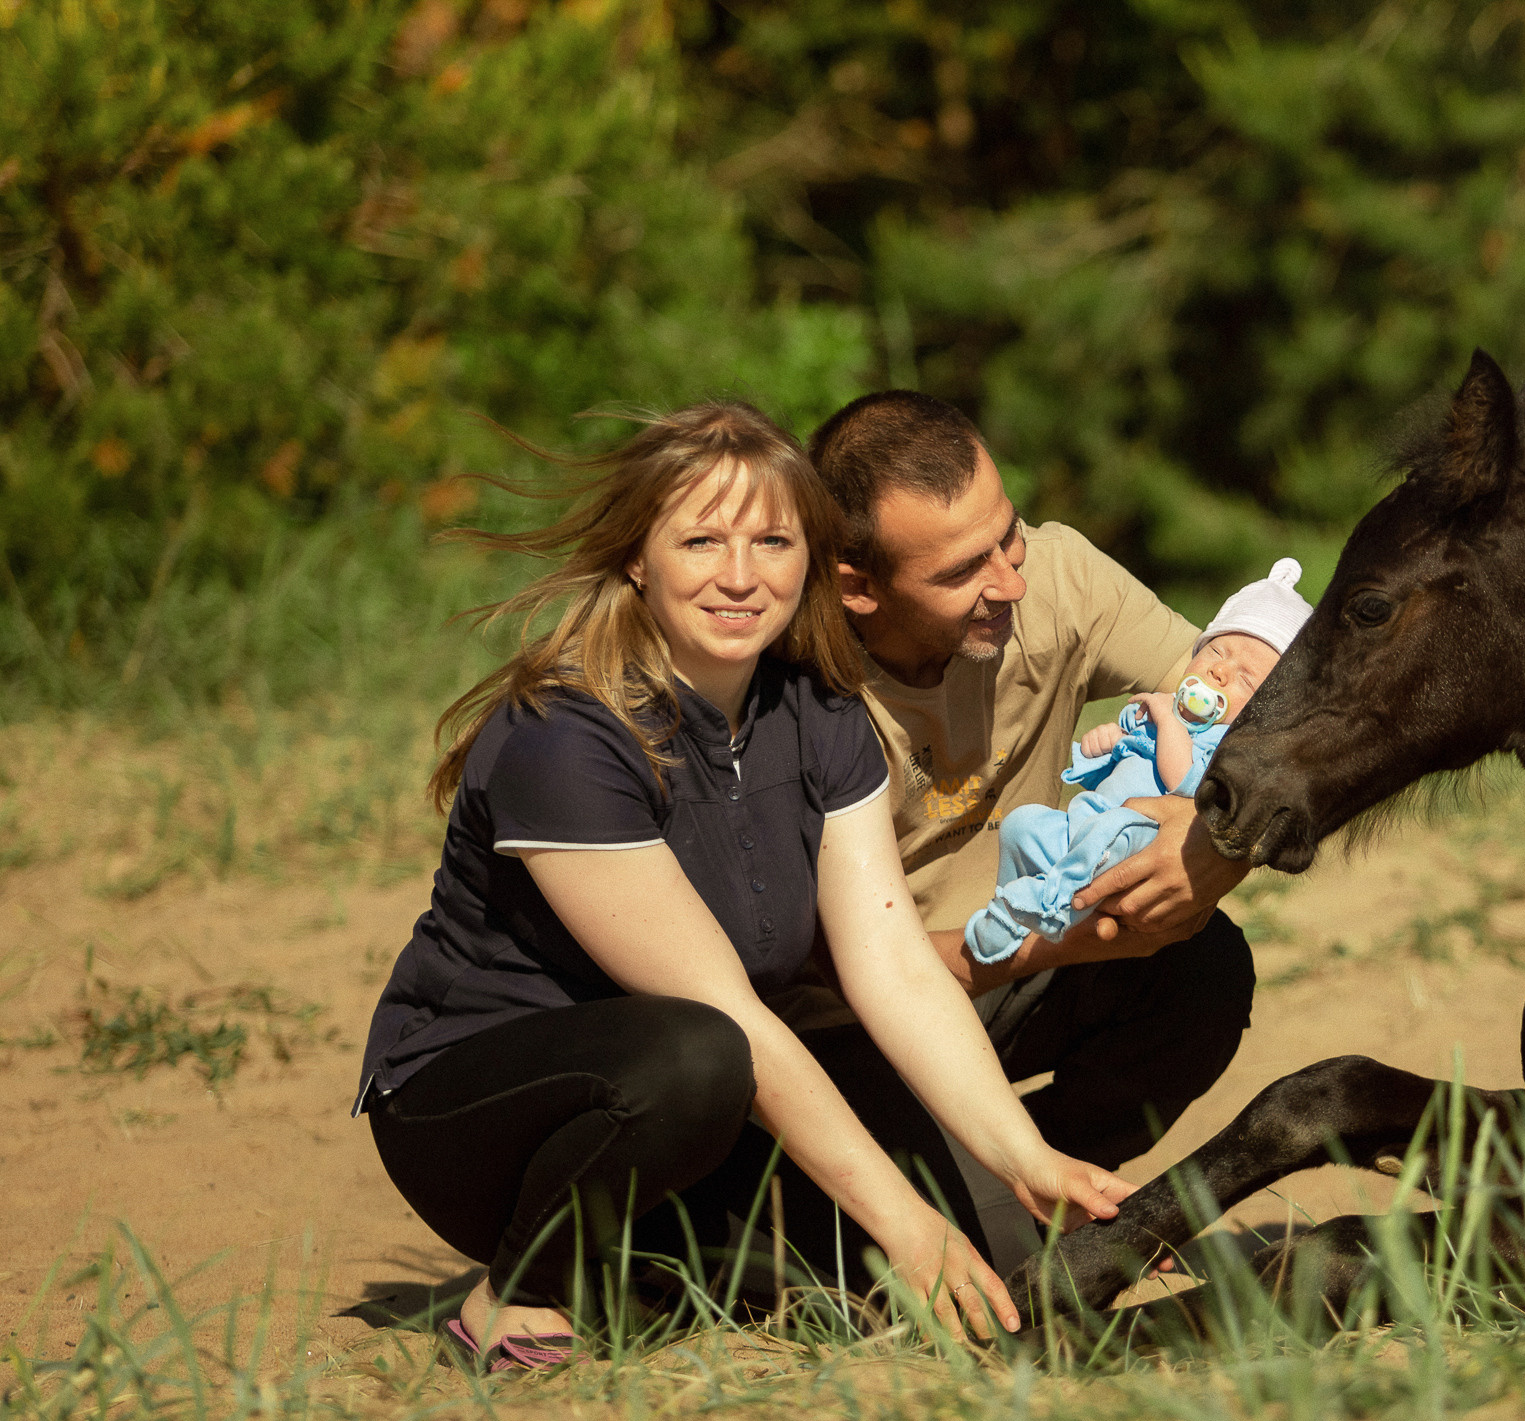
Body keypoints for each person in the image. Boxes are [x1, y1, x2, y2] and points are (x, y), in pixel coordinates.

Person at [354, 401, 1132, 1369]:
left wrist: (1023, 1157)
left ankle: (655, 1270)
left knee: (999, 1266)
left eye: (773, 540)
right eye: (702, 539)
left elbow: (887, 960)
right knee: (700, 1054)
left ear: (813, 559)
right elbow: (723, 1014)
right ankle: (522, 1289)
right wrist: (907, 1226)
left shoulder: (818, 703)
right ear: (639, 555)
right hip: (488, 1113)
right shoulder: (563, 736)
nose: (740, 575)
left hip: (708, 1096)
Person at [796, 391, 1261, 1266]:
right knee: (994, 1275)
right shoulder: (801, 692)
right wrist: (1058, 945)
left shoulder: (1058, 577)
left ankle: (1040, 1172)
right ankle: (928, 1199)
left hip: (1013, 974)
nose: (1010, 581)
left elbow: (1253, 720)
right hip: (854, 1025)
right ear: (857, 586)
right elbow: (831, 968)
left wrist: (1210, 844)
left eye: (1006, 535)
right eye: (962, 571)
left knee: (1204, 972)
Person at [966, 561, 1310, 964]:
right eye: (1216, 651)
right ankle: (1008, 915)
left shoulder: (1228, 745)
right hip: (1084, 825)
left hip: (1137, 839)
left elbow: (1184, 781)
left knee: (1115, 828)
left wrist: (1166, 721)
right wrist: (1108, 743)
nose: (1219, 670)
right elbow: (1116, 766)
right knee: (1021, 824)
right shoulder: (1161, 713)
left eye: (1245, 679)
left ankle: (1053, 905)